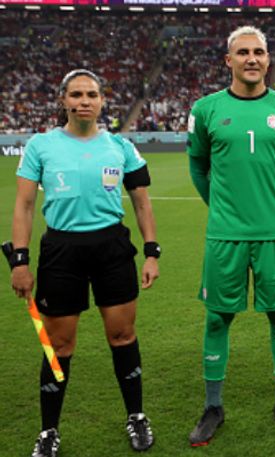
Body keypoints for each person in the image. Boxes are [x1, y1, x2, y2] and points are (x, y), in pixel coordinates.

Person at [11, 69, 160, 457]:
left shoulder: (121, 147)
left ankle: (136, 416)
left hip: (112, 248)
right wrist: (20, 261)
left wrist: (152, 252)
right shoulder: (40, 145)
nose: (84, 101)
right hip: (62, 251)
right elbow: (25, 205)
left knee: (122, 336)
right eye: (76, 94)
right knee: (59, 344)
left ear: (102, 101)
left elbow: (142, 202)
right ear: (63, 100)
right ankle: (48, 431)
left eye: (91, 94)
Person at [186, 26, 275, 445]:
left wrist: (272, 205)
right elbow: (198, 167)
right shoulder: (205, 110)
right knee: (218, 316)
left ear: (268, 59)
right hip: (225, 233)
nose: (252, 59)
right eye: (243, 53)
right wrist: (224, 208)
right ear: (229, 60)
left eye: (258, 52)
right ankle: (213, 406)